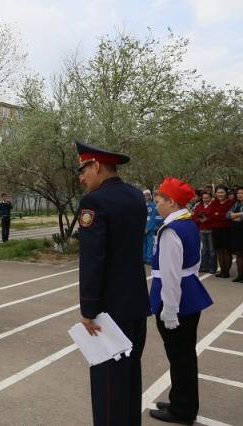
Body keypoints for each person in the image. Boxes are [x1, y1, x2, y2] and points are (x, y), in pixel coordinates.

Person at [75, 140, 150, 426]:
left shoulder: (94, 202)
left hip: (109, 310)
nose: (81, 178)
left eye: (83, 170)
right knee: (129, 380)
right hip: (135, 304)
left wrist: (88, 309)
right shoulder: (135, 196)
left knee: (107, 389)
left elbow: (93, 260)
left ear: (96, 165)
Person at [149, 177, 213, 425]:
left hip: (176, 299)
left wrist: (170, 309)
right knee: (183, 355)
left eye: (158, 201)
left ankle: (182, 410)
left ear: (171, 202)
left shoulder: (171, 230)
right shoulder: (188, 222)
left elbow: (170, 275)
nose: (156, 206)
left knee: (179, 356)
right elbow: (194, 263)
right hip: (189, 293)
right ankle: (180, 401)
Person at [211, 184, 234, 278]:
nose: (220, 194)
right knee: (219, 250)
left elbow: (229, 216)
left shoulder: (231, 203)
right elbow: (211, 215)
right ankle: (222, 271)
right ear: (215, 193)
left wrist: (218, 215)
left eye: (222, 192)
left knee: (226, 250)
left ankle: (226, 272)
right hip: (216, 229)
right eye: (218, 192)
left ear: (226, 193)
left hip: (227, 229)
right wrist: (221, 215)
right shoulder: (214, 203)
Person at [192, 191, 217, 274]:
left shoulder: (214, 205)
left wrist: (207, 219)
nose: (205, 199)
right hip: (201, 229)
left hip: (211, 229)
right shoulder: (198, 205)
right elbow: (193, 215)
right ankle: (204, 266)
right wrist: (199, 219)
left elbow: (214, 215)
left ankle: (212, 267)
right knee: (204, 250)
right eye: (204, 198)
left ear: (210, 198)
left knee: (212, 250)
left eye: (207, 198)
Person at [227, 187, 243, 282]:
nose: (240, 195)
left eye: (242, 193)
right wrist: (240, 214)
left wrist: (235, 215)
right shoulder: (236, 204)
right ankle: (240, 275)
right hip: (236, 232)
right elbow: (228, 215)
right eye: (238, 193)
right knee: (238, 254)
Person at [143, 189, 163, 265]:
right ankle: (143, 258)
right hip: (142, 227)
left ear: (150, 196)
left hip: (150, 228)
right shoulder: (142, 205)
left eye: (147, 196)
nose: (146, 197)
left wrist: (148, 228)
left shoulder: (153, 206)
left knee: (150, 244)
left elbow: (153, 218)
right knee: (143, 243)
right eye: (144, 196)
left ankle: (149, 259)